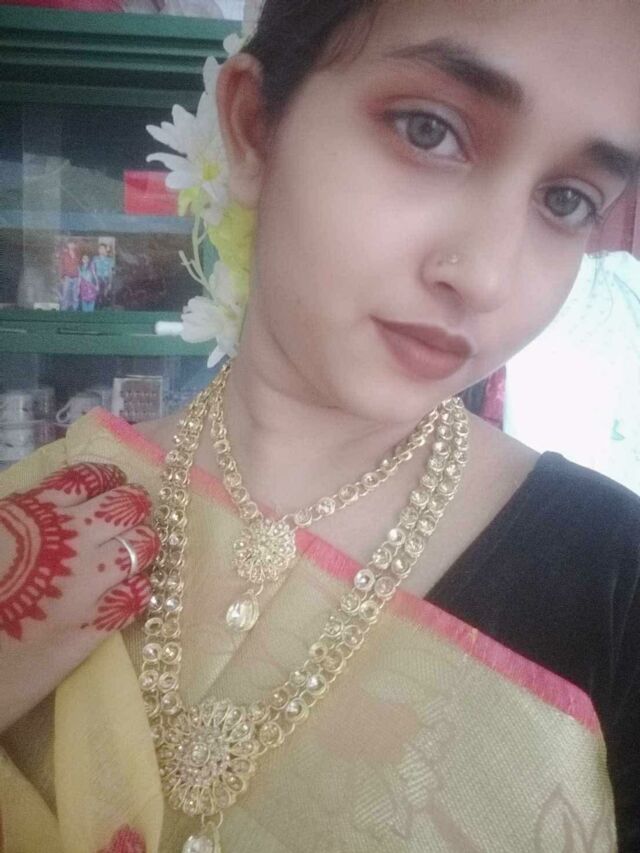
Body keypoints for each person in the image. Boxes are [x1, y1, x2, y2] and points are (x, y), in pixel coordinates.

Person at [1, 1, 640, 851]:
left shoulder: (615, 586)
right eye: (428, 130)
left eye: (567, 200)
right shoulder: (40, 515)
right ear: (254, 127)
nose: (487, 276)